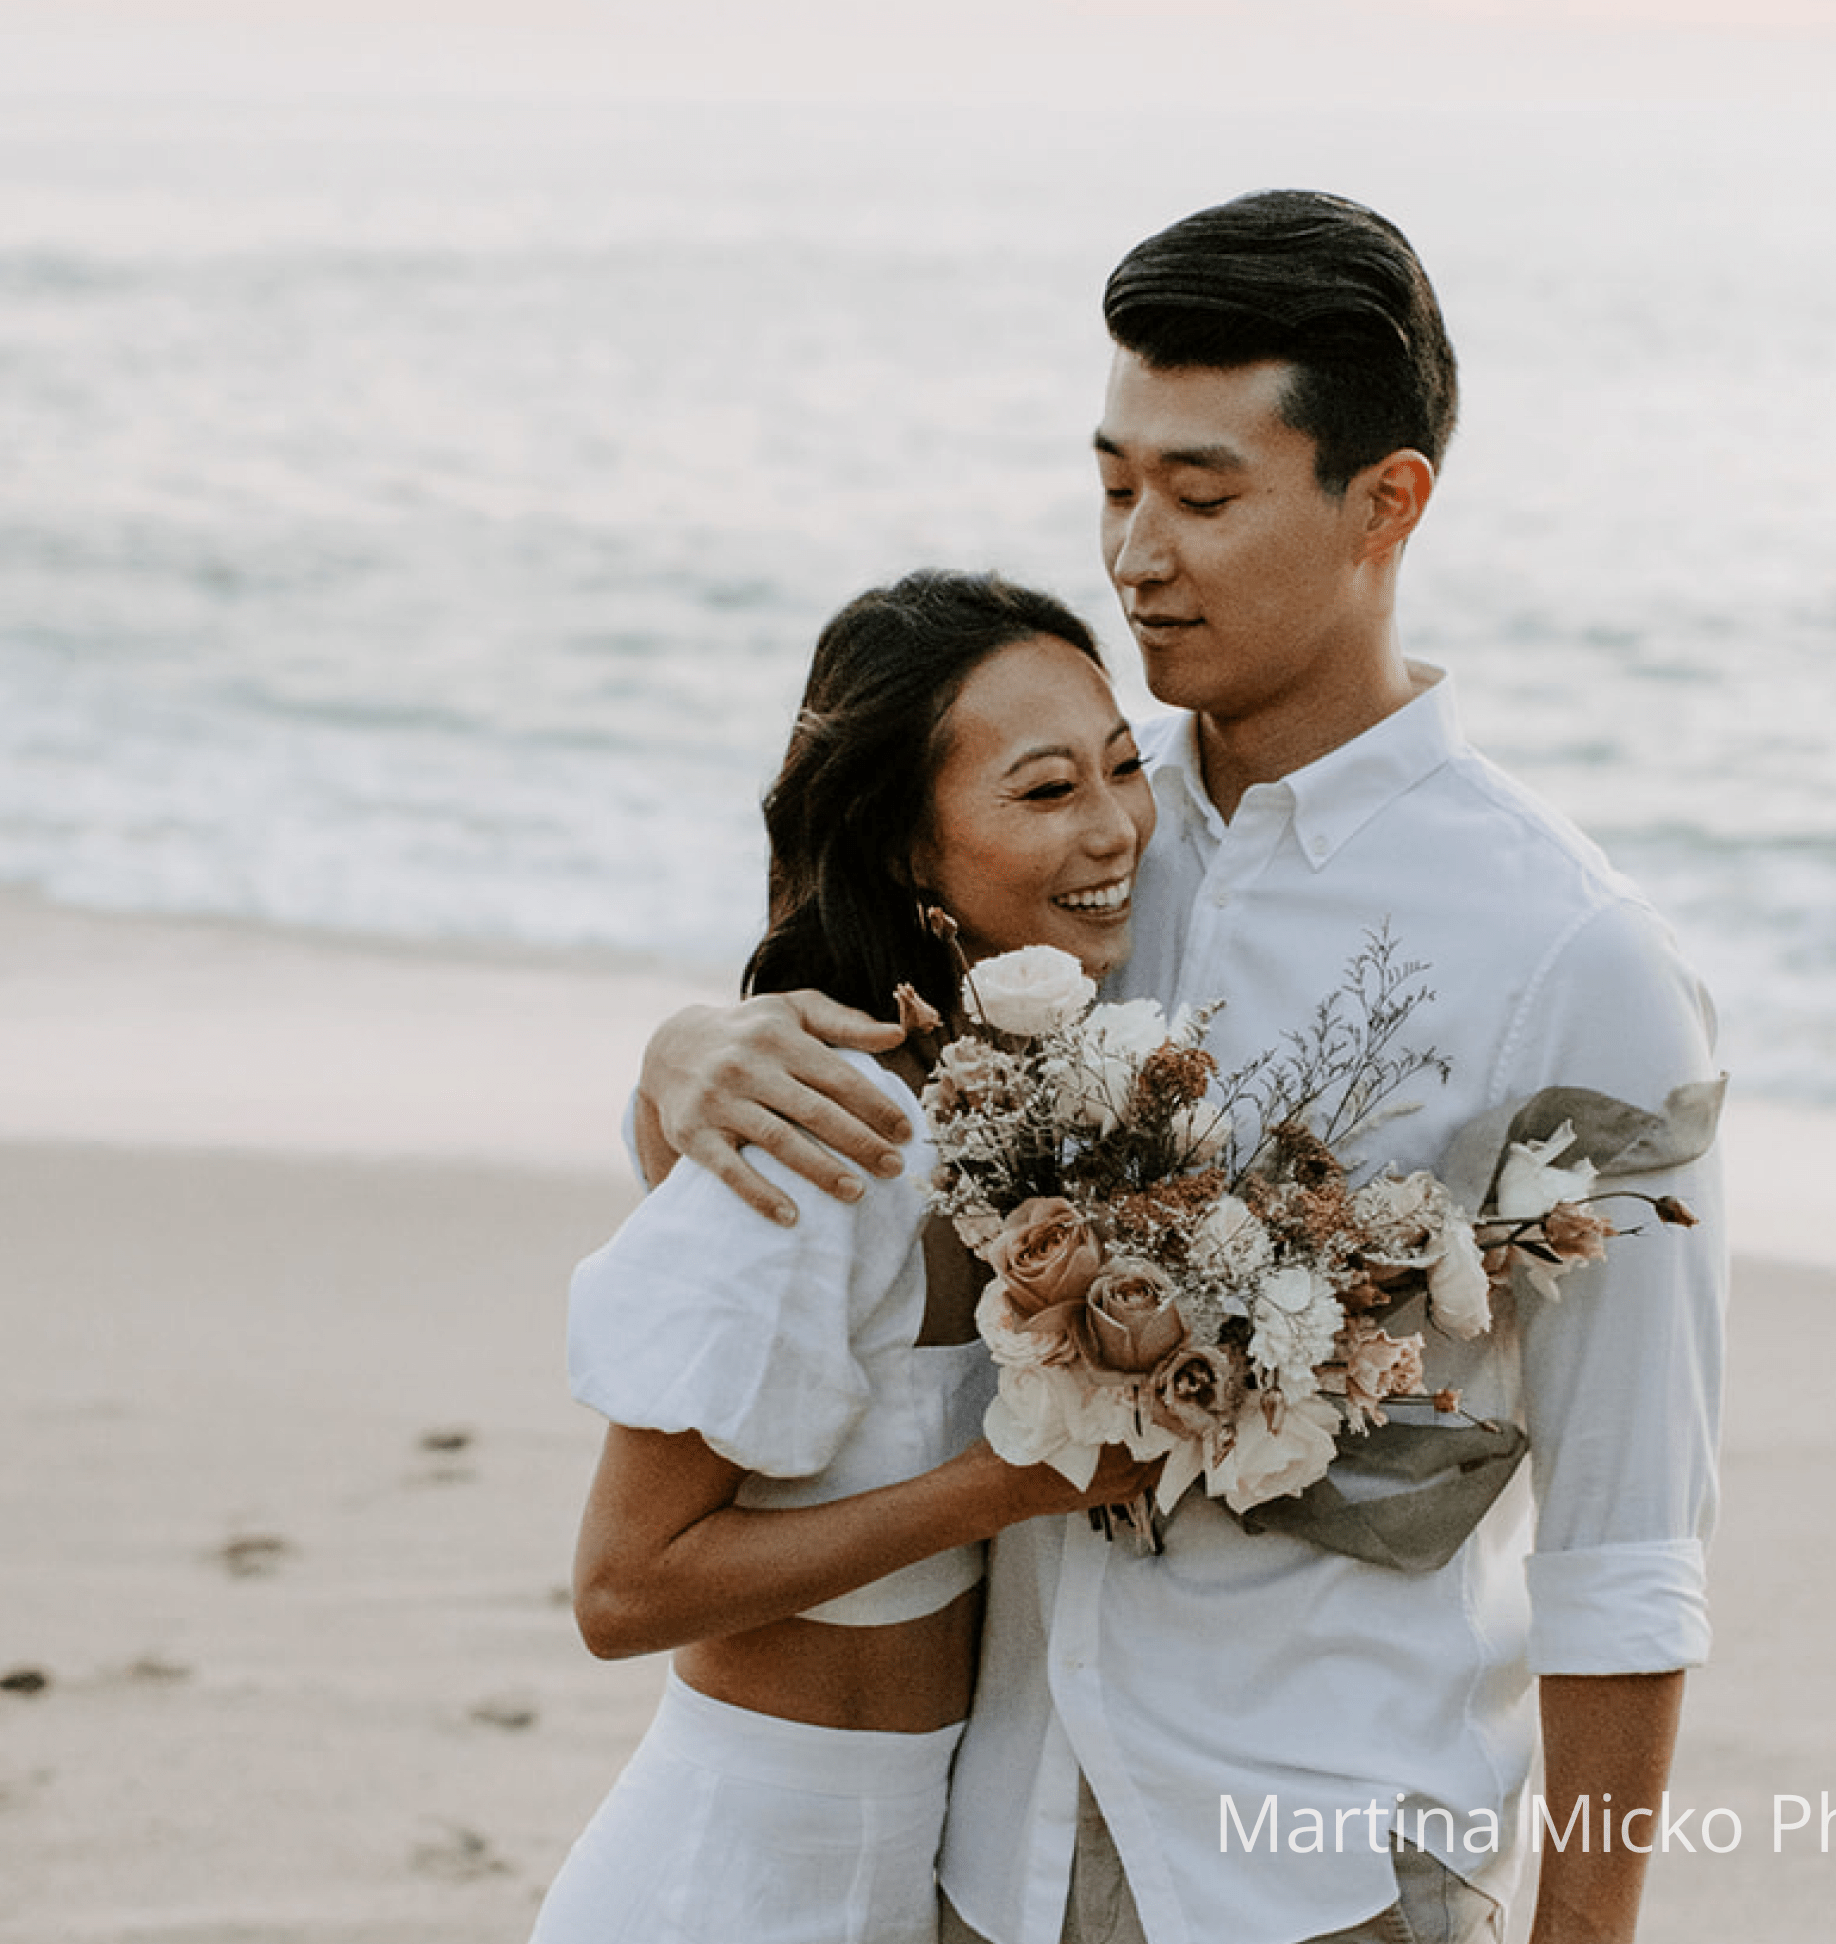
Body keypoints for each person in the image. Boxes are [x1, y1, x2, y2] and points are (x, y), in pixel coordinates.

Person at [634, 193, 1726, 1944]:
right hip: (984, 1846)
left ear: (1390, 503)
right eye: (1115, 484)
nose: (1137, 550)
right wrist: (685, 1053)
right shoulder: (1063, 842)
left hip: (1323, 1870)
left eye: (1202, 496)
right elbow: (812, 1154)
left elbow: (1627, 1538)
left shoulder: (1570, 958)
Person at [531, 569, 1162, 1944]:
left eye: (1127, 766)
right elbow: (622, 1588)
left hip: (906, 1865)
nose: (1116, 827)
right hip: (732, 1877)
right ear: (903, 848)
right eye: (1047, 791)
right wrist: (995, 1490)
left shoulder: (1020, 1111)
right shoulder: (831, 1122)